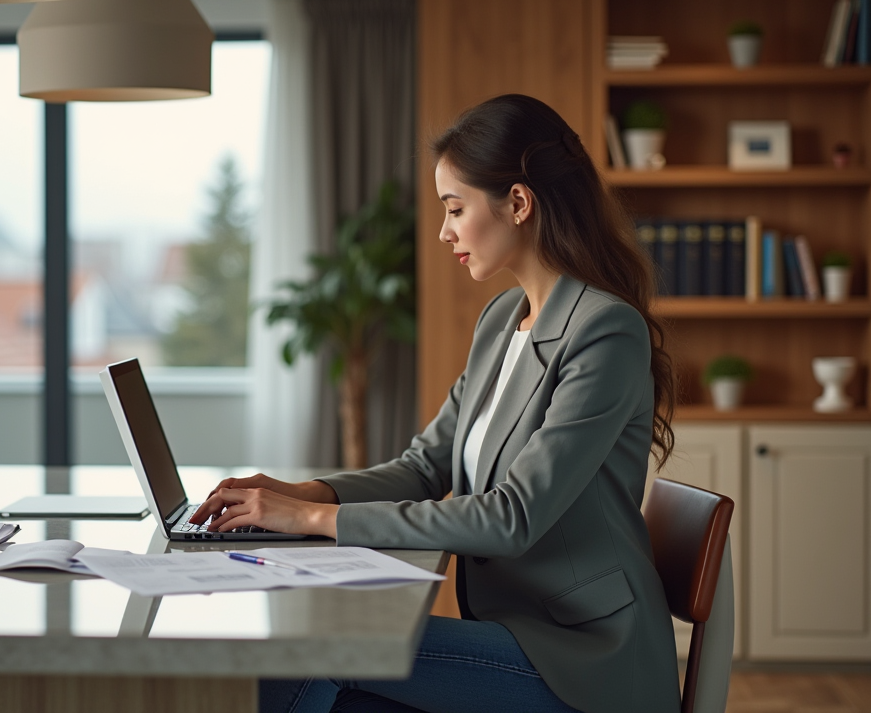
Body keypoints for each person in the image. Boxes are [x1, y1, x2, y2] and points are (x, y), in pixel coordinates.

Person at [188, 93, 681, 713]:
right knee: (314, 677)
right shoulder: (503, 319)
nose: (445, 230)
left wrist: (312, 523)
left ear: (519, 203)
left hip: (584, 658)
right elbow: (426, 467)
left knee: (305, 651)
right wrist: (300, 494)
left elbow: (512, 516)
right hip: (519, 631)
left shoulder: (605, 331)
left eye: (455, 208)